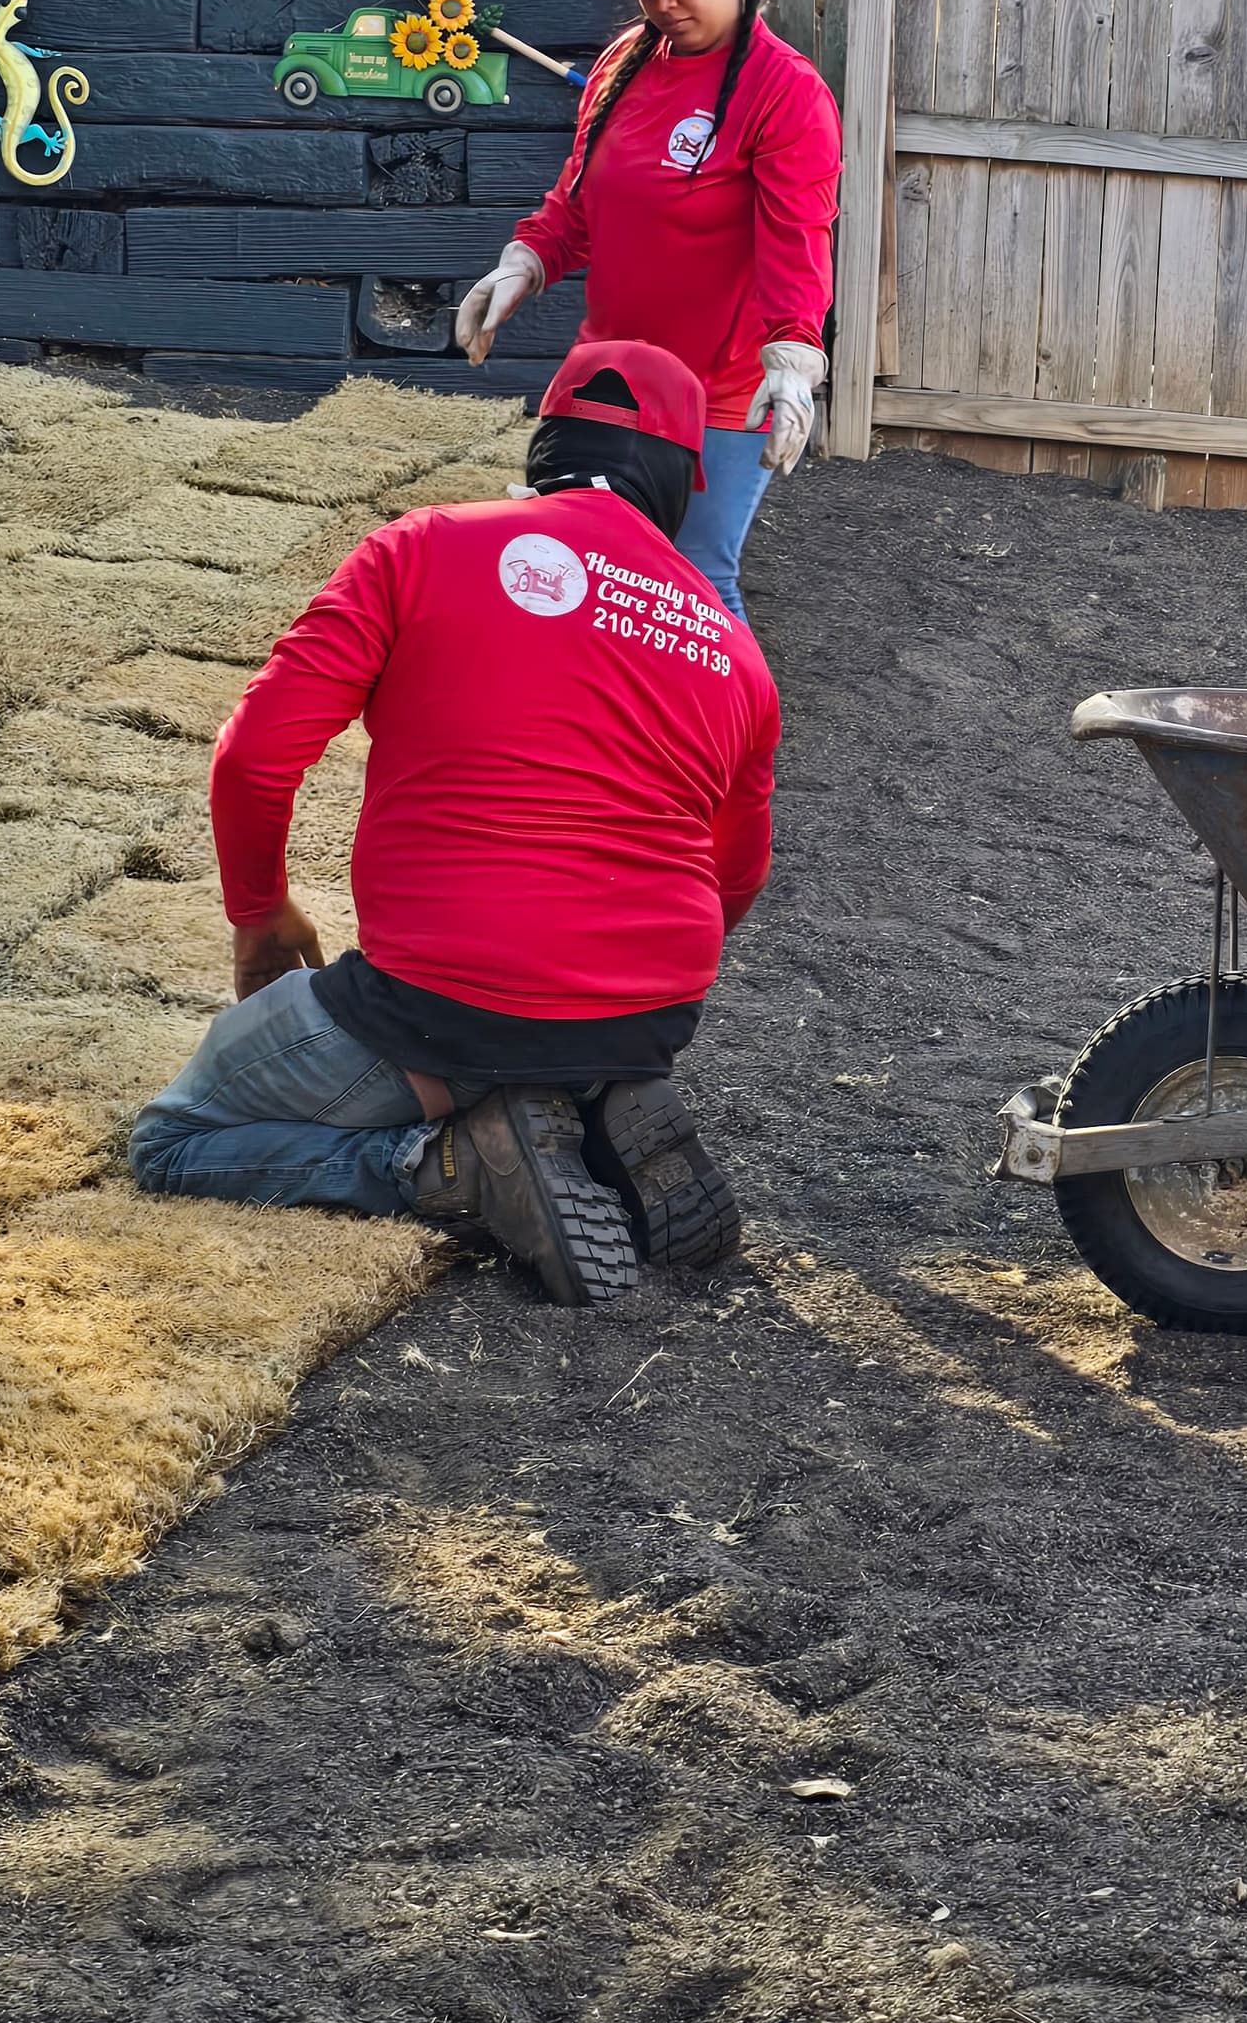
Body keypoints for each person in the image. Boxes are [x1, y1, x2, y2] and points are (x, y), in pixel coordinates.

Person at [129, 340, 780, 1311]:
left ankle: (444, 1165)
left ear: (547, 441)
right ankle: (585, 1089)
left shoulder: (422, 546)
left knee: (170, 1143)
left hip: (443, 997)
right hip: (650, 1010)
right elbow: (736, 879)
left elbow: (255, 754)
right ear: (686, 481)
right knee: (542, 1032)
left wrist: (261, 910)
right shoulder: (735, 653)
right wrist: (609, 982)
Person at [454, 0, 842, 621]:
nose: (665, 3)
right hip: (611, 375)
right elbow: (579, 200)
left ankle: (729, 737)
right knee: (581, 569)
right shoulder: (625, 63)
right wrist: (525, 262)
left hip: (721, 395)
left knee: (692, 583)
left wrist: (795, 357)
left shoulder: (786, 93)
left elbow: (798, 242)